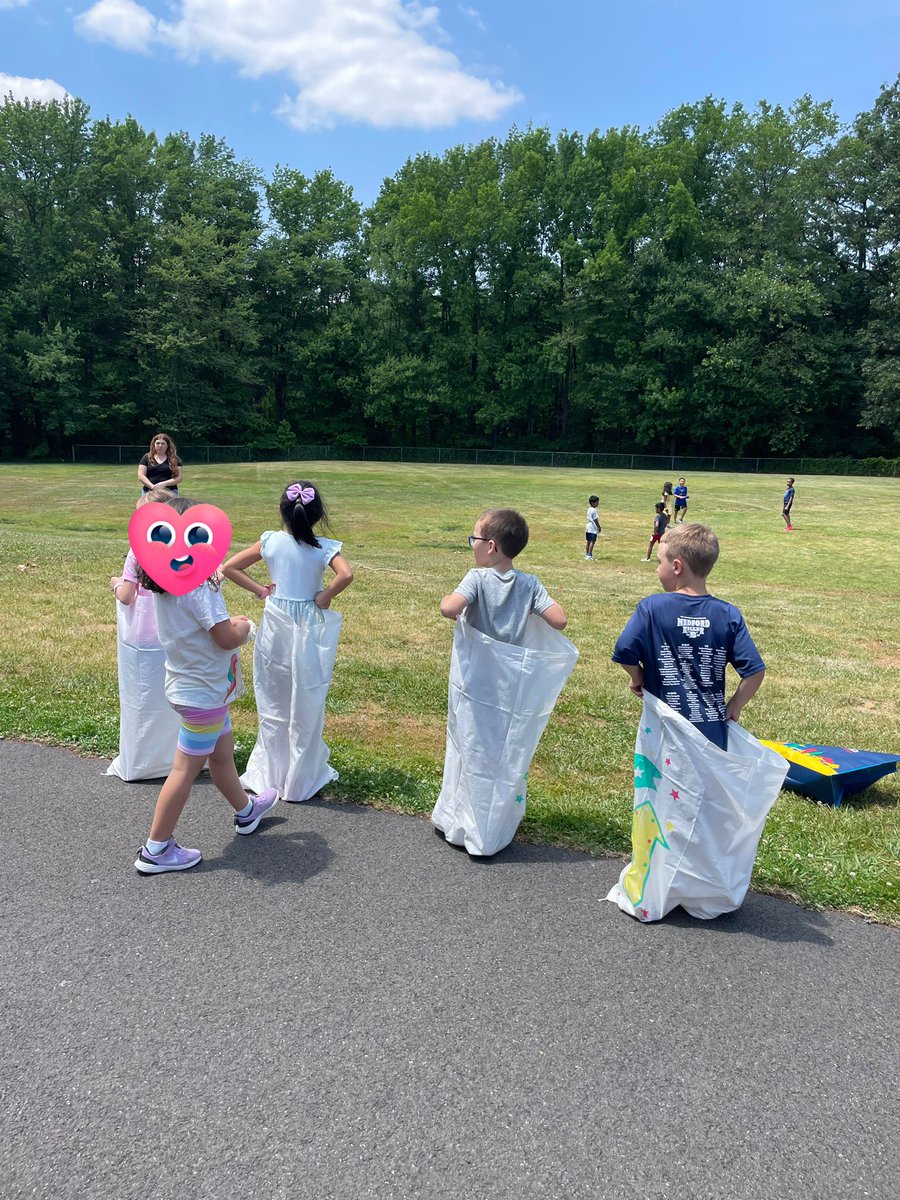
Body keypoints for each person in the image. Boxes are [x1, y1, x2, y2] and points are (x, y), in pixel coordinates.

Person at [133, 496, 277, 875]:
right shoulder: (199, 588)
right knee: (184, 769)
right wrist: (243, 626)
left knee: (221, 756)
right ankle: (156, 849)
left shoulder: (167, 584)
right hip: (203, 694)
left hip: (193, 688)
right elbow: (225, 638)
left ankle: (247, 811)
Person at [221, 480, 353, 803]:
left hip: (276, 623)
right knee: (306, 695)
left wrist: (259, 589)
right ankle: (300, 774)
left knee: (273, 695)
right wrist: (324, 596)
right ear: (318, 515)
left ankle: (273, 772)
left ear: (283, 511)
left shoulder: (271, 541)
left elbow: (230, 566)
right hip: (307, 625)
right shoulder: (324, 546)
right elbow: (346, 575)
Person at [612, 523, 765, 750]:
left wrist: (638, 677)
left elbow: (625, 650)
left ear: (676, 566)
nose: (656, 569)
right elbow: (755, 671)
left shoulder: (652, 608)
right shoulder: (728, 614)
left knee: (664, 783)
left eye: (659, 562)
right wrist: (735, 705)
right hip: (711, 734)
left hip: (665, 730)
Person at [108, 489, 182, 781]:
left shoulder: (138, 550)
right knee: (177, 696)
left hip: (145, 637)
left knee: (145, 697)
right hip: (176, 633)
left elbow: (127, 596)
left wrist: (114, 583)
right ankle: (183, 753)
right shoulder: (184, 548)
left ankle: (144, 758)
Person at [440, 508, 567, 642]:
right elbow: (560, 621)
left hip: (475, 661)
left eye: (474, 538)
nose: (473, 544)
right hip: (511, 662)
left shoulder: (477, 578)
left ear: (490, 546)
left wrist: (446, 599)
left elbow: (449, 609)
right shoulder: (530, 584)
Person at [584, 495, 601, 560]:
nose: (598, 503)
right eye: (597, 502)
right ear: (593, 503)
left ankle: (587, 554)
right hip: (593, 527)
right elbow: (595, 520)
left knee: (588, 541)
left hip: (588, 527)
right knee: (592, 541)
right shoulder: (594, 510)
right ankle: (589, 555)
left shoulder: (589, 509)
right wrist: (599, 527)